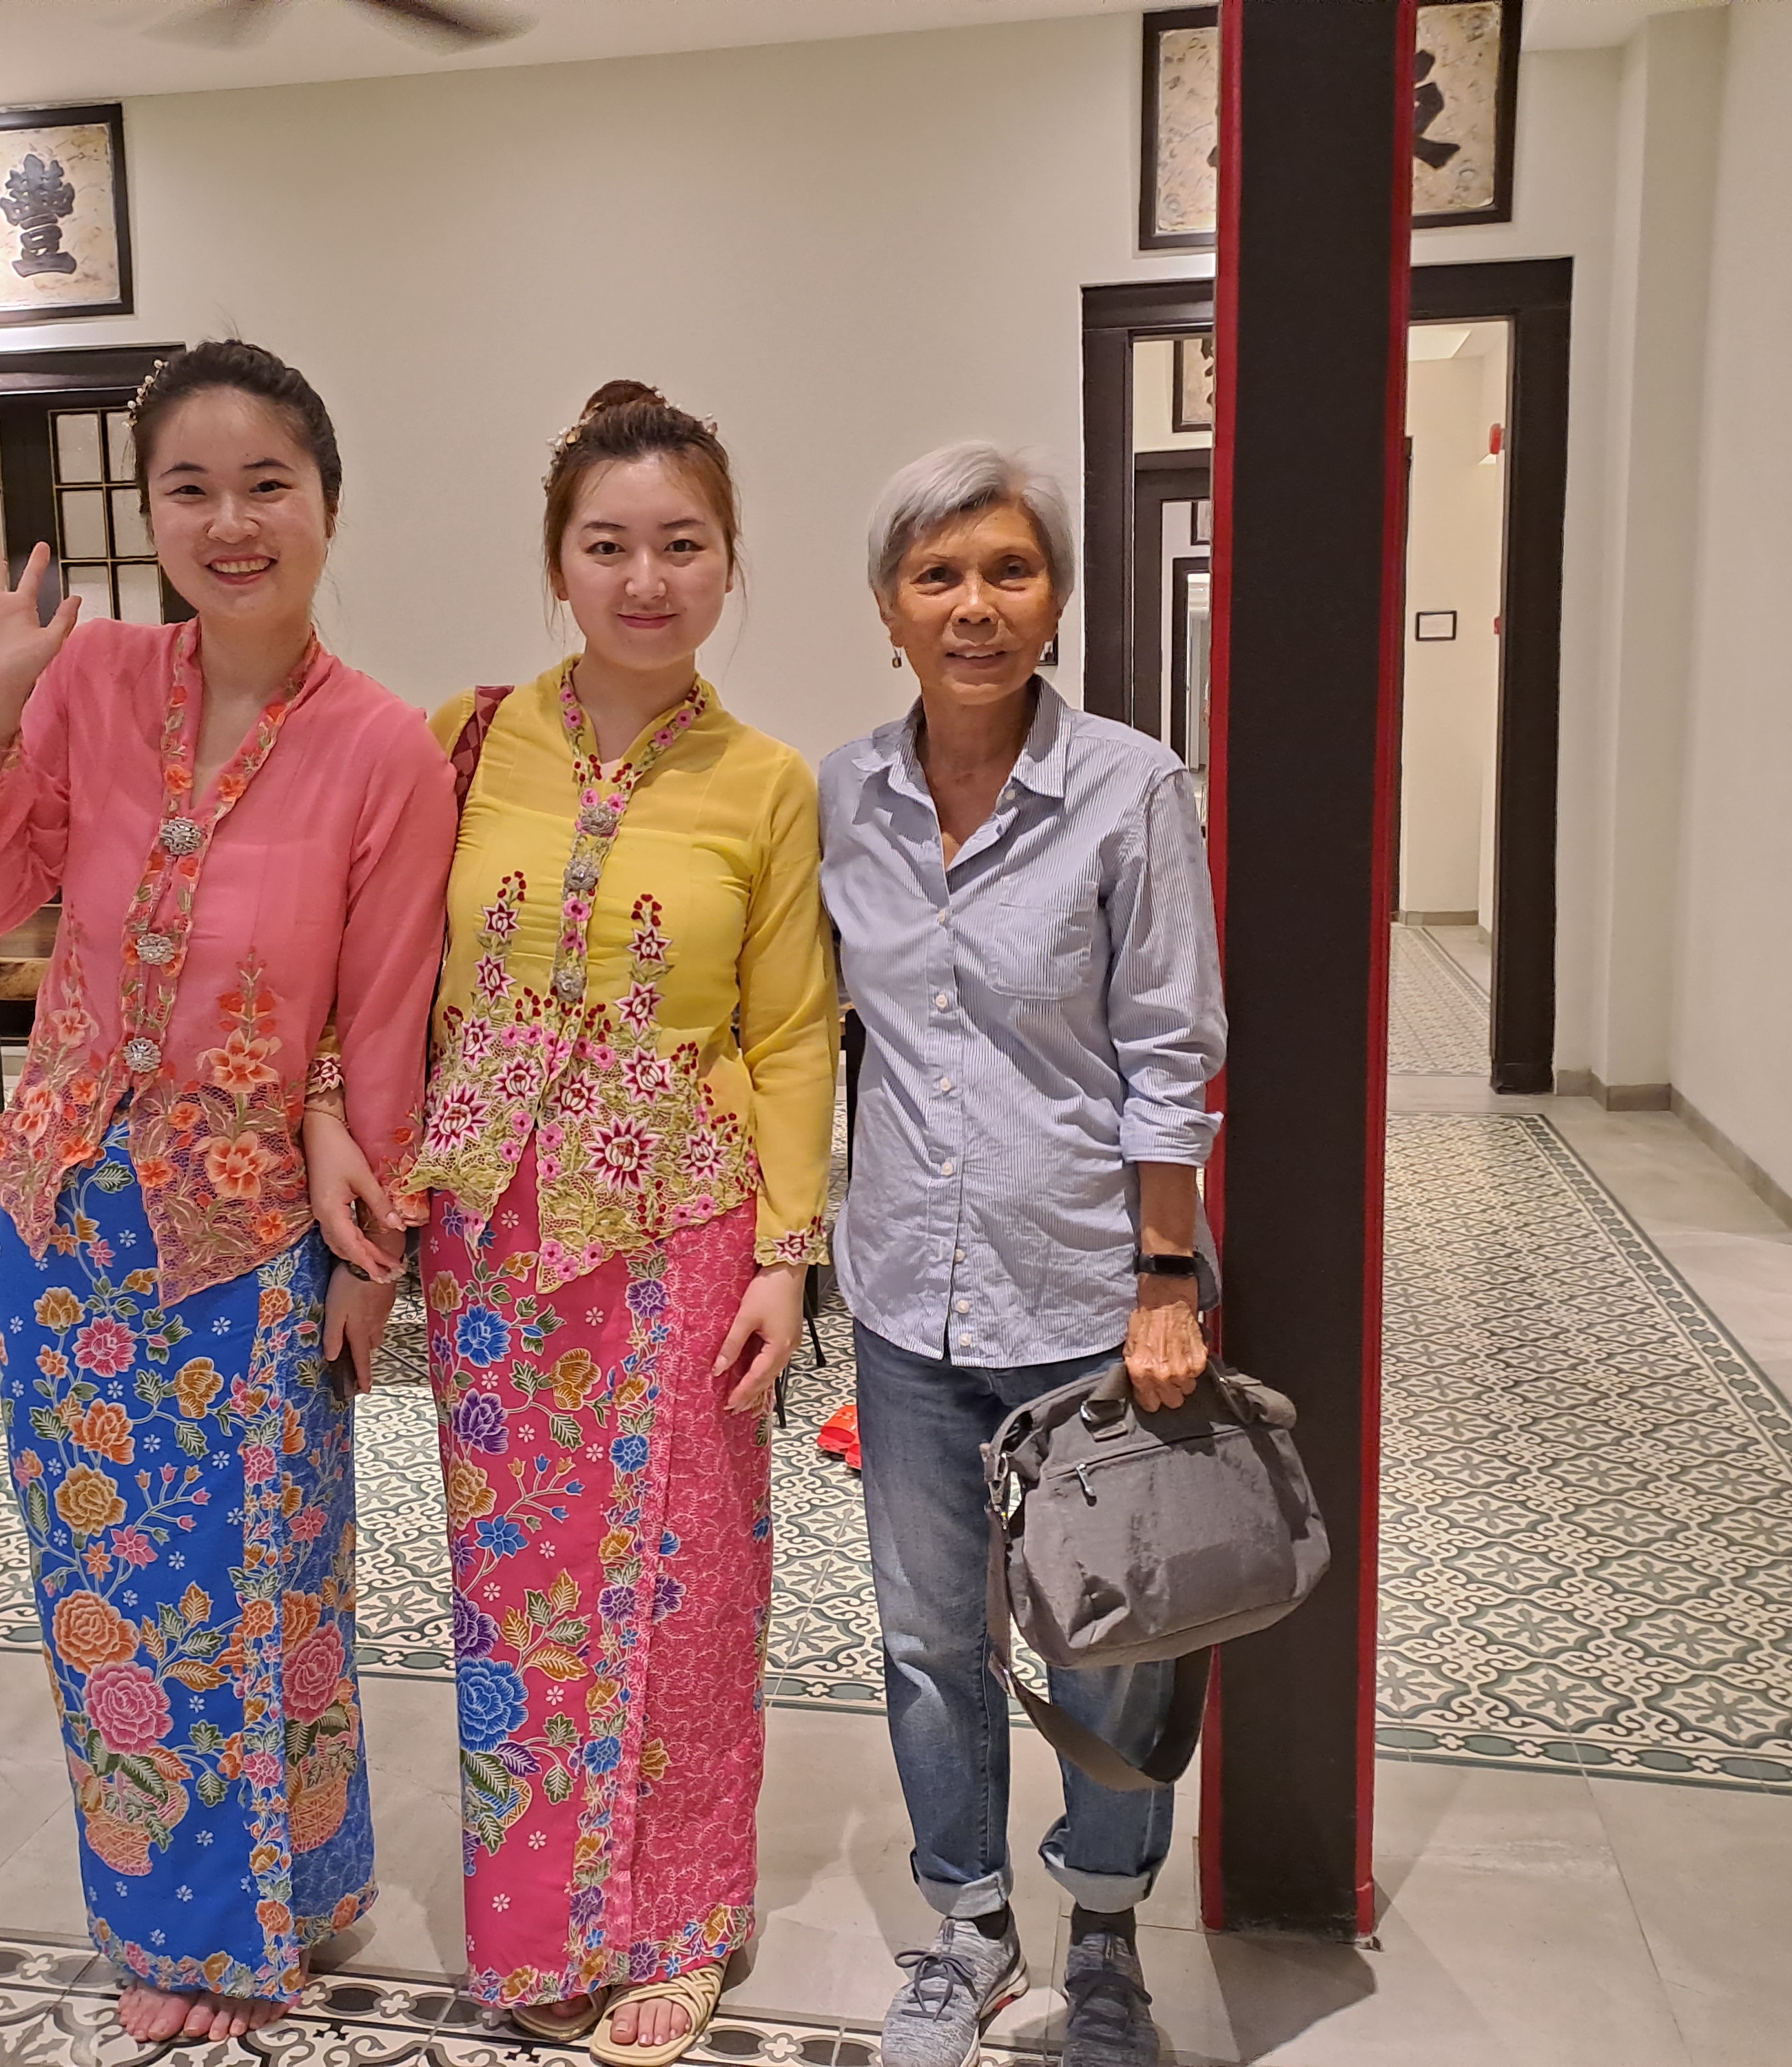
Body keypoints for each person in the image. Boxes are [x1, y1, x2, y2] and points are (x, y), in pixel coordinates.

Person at [0, 341, 457, 2048]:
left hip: (249, 1230)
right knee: (103, 1586)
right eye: (189, 490)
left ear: (326, 508)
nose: (231, 523)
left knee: (259, 1582)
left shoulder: (382, 747)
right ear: (146, 512)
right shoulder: (89, 683)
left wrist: (370, 1263)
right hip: (62, 1217)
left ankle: (261, 1917)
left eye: (266, 486)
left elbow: (383, 1016)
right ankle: (170, 1914)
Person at [308, 380, 837, 2067]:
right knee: (516, 1593)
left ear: (728, 562)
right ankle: (541, 1928)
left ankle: (677, 1923)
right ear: (556, 563)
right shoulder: (464, 744)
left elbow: (790, 1032)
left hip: (682, 1230)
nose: (644, 578)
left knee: (685, 1587)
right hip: (490, 1239)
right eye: (607, 545)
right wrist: (355, 1170)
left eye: (681, 544)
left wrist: (784, 1259)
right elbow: (381, 969)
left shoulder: (764, 783)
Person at [816, 444, 1224, 2067]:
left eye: (1006, 570)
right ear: (888, 609)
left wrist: (1163, 1282)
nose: (972, 606)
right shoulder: (841, 797)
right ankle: (968, 1929)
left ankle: (1104, 1938)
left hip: (1081, 1297)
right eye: (936, 577)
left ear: (1053, 599)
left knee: (1105, 1645)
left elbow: (1171, 1049)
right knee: (930, 1640)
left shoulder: (1131, 788)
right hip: (904, 1298)